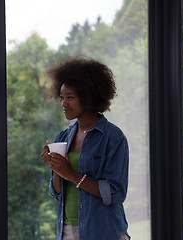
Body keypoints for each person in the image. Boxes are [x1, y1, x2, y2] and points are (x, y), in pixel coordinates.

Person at [40, 56, 130, 240]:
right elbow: (57, 192)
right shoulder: (63, 137)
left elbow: (115, 193)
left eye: (70, 98)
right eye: (62, 97)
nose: (63, 104)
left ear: (88, 98)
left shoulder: (113, 138)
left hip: (104, 233)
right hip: (67, 232)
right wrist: (56, 168)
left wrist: (71, 174)